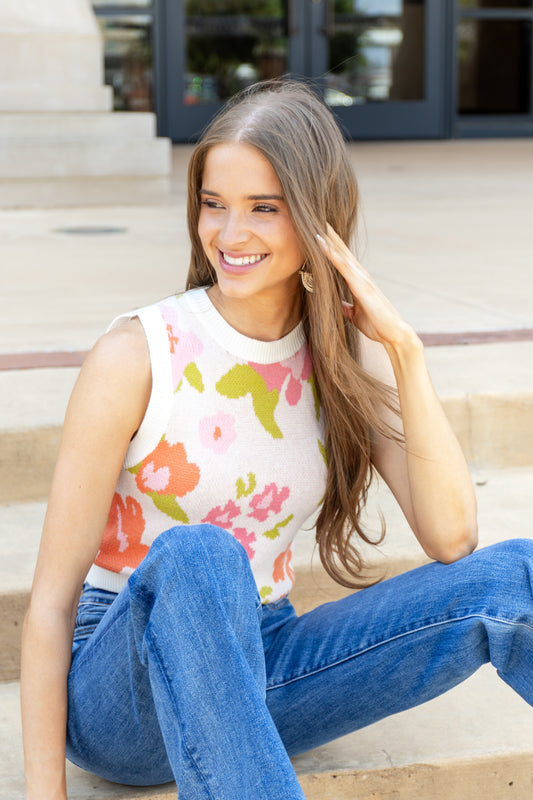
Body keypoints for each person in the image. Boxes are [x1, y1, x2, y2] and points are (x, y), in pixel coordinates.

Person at [21, 80, 533, 800]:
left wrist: (405, 350)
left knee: (515, 578)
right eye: (213, 204)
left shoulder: (332, 363)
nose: (230, 236)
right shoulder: (139, 354)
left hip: (264, 656)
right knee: (202, 554)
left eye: (264, 208)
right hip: (122, 685)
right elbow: (49, 603)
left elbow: (451, 539)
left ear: (319, 219)